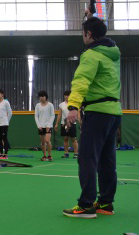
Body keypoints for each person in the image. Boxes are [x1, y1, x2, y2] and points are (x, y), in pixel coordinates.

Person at [63, 15, 122, 219]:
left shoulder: (91, 55)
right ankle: (105, 203)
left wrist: (73, 106)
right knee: (107, 160)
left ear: (88, 34)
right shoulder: (112, 54)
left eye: (83, 33)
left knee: (87, 158)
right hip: (114, 113)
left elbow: (81, 80)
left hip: (97, 113)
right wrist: (92, 16)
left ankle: (86, 205)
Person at [54, 90, 80, 158]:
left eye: (68, 95)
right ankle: (66, 153)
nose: (66, 96)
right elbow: (59, 115)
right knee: (65, 138)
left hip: (72, 123)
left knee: (73, 139)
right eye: (65, 95)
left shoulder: (74, 104)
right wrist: (56, 124)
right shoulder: (61, 104)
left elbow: (78, 113)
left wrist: (79, 121)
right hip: (64, 123)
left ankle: (76, 153)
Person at [0, 89, 12, 160]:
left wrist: (7, 121)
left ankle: (5, 154)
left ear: (2, 94)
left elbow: (10, 113)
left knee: (4, 138)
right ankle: (0, 153)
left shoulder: (6, 102)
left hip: (4, 123)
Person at [34, 91, 55, 161]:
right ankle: (44, 156)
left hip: (48, 126)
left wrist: (49, 125)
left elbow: (52, 115)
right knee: (42, 142)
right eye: (40, 96)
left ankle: (49, 155)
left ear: (46, 97)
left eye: (43, 96)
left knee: (47, 140)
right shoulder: (37, 105)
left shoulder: (50, 105)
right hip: (40, 126)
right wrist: (39, 126)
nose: (42, 98)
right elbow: (36, 116)